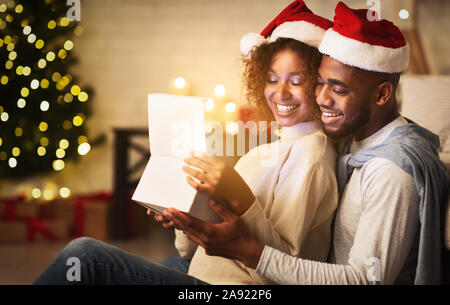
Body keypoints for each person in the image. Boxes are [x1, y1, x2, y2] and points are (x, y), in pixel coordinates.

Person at [33, 0, 338, 285]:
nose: (281, 92)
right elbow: (193, 253)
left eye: (296, 81)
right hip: (204, 272)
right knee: (166, 260)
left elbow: (286, 266)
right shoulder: (262, 153)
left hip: (237, 286)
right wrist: (186, 216)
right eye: (272, 79)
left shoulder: (313, 153)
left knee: (83, 256)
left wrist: (237, 193)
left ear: (320, 84)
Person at [164, 2, 449, 285]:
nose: (322, 98)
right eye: (320, 83)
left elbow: (365, 279)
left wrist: (250, 250)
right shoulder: (353, 140)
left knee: (117, 264)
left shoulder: (389, 172)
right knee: (170, 263)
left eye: (337, 88)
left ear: (382, 95)